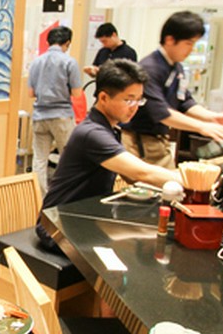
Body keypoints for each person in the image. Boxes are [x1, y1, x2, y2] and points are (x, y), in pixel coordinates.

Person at [36, 60, 181, 245]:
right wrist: (189, 181)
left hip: (85, 218)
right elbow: (142, 172)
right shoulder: (92, 133)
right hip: (57, 227)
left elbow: (133, 176)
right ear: (103, 98)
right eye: (129, 100)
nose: (135, 107)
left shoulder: (111, 129)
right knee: (139, 245)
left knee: (149, 232)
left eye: (139, 100)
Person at [122, 11, 223, 168]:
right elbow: (161, 113)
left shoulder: (176, 67)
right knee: (165, 185)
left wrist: (212, 117)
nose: (191, 49)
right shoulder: (149, 68)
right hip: (140, 140)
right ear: (170, 39)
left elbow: (185, 101)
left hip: (157, 139)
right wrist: (202, 126)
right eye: (189, 43)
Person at [27, 25, 83, 192]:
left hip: (39, 116)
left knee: (39, 160)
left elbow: (30, 93)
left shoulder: (36, 62)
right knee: (69, 158)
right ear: (67, 43)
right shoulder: (69, 62)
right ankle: (63, 195)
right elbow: (77, 93)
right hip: (62, 116)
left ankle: (39, 198)